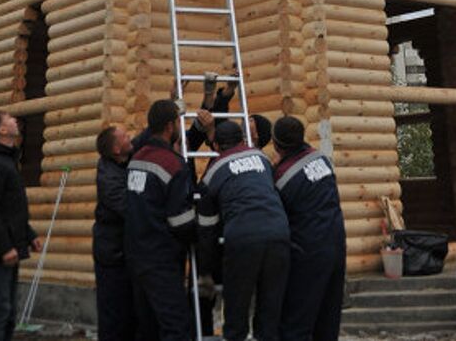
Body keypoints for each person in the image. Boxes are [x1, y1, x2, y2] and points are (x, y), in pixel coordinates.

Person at [198, 119, 290, 341]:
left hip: (243, 239)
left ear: (217, 146)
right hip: (279, 233)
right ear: (242, 140)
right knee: (270, 313)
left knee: (236, 313)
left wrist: (205, 271)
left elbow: (207, 230)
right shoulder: (262, 159)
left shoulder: (212, 173)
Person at [125, 98, 197, 341]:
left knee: (147, 327)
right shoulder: (173, 165)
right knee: (176, 325)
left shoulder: (137, 157)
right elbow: (180, 220)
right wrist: (200, 235)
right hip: (162, 257)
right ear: (170, 126)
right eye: (178, 121)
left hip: (136, 254)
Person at [272, 116, 346, 341]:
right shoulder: (321, 159)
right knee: (328, 319)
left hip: (308, 252)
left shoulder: (282, 178)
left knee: (297, 323)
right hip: (335, 245)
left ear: (276, 144)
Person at [0, 111, 42, 341]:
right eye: (9, 119)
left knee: (8, 310)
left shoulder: (7, 161)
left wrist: (29, 234)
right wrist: (4, 247)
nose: (15, 121)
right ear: (2, 131)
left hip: (9, 247)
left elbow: (11, 209)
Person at [92, 125, 136, 341]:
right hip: (111, 254)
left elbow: (149, 137)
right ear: (117, 150)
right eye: (125, 137)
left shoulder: (124, 161)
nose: (130, 138)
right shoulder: (108, 177)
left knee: (128, 313)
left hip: (123, 251)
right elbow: (128, 208)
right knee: (113, 315)